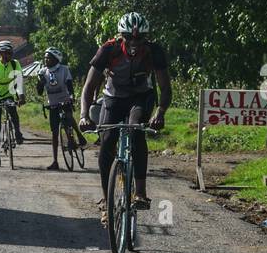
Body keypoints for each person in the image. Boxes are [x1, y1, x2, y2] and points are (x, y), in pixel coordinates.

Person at [79, 12, 170, 217]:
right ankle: (107, 201)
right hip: (113, 97)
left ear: (146, 38)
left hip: (140, 98)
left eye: (139, 38)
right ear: (121, 36)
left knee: (136, 130)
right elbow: (88, 87)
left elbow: (165, 88)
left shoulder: (153, 51)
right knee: (107, 139)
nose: (134, 42)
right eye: (129, 37)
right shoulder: (108, 49)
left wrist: (160, 113)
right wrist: (84, 115)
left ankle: (140, 193)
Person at [0, 40, 25, 167]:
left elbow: (19, 80)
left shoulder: (14, 64)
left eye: (10, 53)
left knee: (14, 114)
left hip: (9, 94)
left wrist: (21, 96)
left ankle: (18, 132)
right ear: (0, 53)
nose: (9, 56)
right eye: (6, 53)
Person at [35, 47, 75, 170]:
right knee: (54, 133)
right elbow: (40, 92)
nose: (46, 60)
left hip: (65, 100)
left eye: (49, 58)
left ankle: (73, 139)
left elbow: (69, 85)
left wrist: (72, 97)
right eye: (45, 58)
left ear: (56, 59)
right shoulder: (42, 72)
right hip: (52, 103)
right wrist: (40, 83)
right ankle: (55, 161)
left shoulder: (64, 69)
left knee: (68, 118)